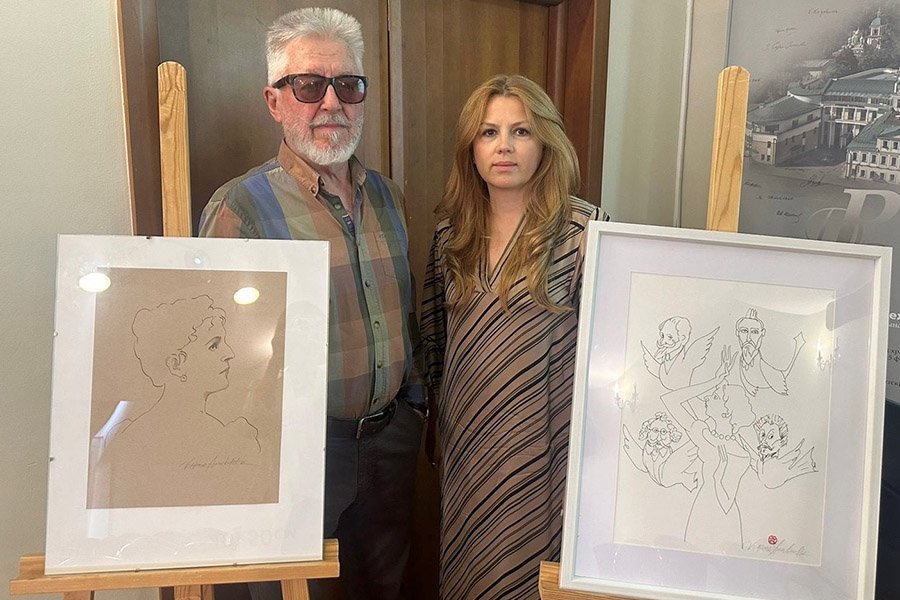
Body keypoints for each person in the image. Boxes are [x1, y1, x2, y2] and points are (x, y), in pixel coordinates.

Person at [199, 8, 426, 600]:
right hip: (300, 457)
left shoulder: (388, 198)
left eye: (348, 85)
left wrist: (413, 407)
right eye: (308, 85)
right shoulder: (240, 210)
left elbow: (405, 314)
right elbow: (216, 358)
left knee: (384, 588)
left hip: (391, 445)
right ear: (274, 101)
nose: (331, 103)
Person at [420, 74, 608, 600]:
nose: (504, 146)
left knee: (533, 578)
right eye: (489, 132)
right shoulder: (450, 235)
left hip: (546, 449)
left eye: (520, 131)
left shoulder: (585, 233)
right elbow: (434, 342)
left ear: (545, 141)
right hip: (468, 446)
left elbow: (610, 356)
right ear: (471, 147)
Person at [90, 295, 262, 509]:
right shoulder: (132, 441)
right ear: (176, 364)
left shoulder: (229, 436)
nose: (230, 353)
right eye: (214, 345)